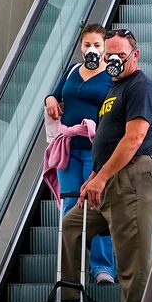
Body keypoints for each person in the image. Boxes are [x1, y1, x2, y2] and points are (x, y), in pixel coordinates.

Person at [60, 29, 152, 302]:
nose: (113, 60)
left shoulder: (140, 87)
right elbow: (106, 137)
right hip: (107, 181)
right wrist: (94, 176)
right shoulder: (114, 89)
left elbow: (133, 139)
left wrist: (102, 177)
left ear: (135, 55)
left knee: (133, 258)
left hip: (132, 179)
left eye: (119, 54)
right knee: (72, 226)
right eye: (109, 56)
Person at [44, 24, 117, 285]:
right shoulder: (72, 71)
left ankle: (102, 266)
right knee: (68, 208)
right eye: (87, 45)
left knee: (96, 206)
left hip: (95, 152)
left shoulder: (110, 76)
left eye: (97, 45)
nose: (92, 50)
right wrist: (50, 99)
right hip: (68, 151)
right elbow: (56, 94)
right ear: (81, 46)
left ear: (105, 48)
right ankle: (70, 270)